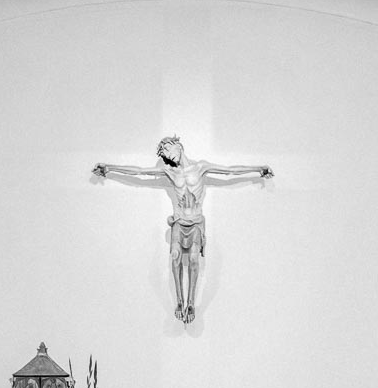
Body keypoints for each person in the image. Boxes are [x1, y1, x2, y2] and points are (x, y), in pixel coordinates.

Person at [92, 136, 272, 323]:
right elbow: (139, 172)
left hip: (195, 222)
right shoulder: (170, 172)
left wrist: (259, 170)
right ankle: (179, 300)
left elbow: (229, 171)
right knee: (176, 256)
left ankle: (191, 302)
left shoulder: (201, 167)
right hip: (179, 221)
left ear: (178, 145)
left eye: (168, 150)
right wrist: (109, 168)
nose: (168, 156)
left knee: (194, 260)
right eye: (164, 155)